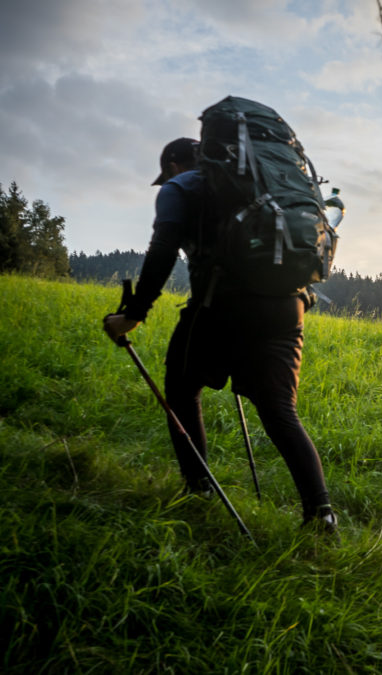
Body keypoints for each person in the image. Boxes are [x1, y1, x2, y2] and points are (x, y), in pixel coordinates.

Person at [103, 137, 337, 533]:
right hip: (287, 307)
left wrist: (134, 313)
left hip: (221, 304)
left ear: (175, 165)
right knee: (280, 411)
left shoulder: (181, 186)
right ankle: (321, 515)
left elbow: (163, 248)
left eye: (167, 175)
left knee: (181, 388)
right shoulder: (259, 184)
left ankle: (199, 491)